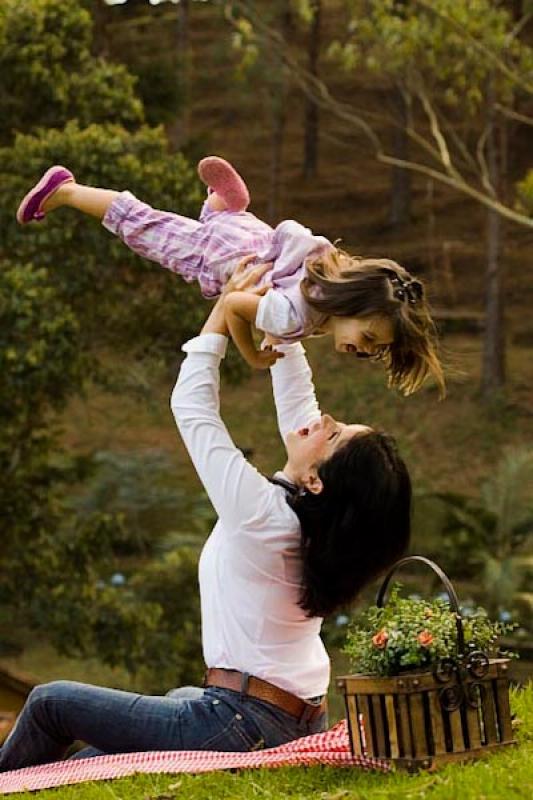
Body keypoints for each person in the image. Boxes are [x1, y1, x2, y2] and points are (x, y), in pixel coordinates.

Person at [0, 265, 412, 771]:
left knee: (51, 703)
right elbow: (298, 402)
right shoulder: (313, 520)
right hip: (284, 714)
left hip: (241, 720)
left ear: (317, 480)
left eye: (334, 433)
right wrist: (281, 313)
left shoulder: (264, 516)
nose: (323, 420)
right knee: (96, 752)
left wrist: (221, 314)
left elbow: (192, 408)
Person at [17, 157, 444, 396]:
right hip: (215, 257)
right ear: (353, 303)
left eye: (371, 351)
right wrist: (253, 355)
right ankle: (65, 190)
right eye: (367, 338)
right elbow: (236, 304)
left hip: (249, 235)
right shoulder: (295, 317)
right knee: (143, 225)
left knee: (209, 222)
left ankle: (225, 204)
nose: (359, 349)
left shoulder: (329, 271)